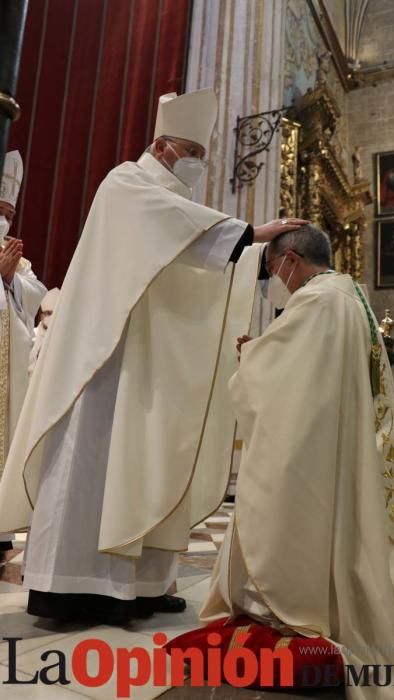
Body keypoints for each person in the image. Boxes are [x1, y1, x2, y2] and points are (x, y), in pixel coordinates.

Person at [0, 88, 306, 624]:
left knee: (149, 460)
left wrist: (258, 256)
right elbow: (179, 232)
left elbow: (193, 257)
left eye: (203, 155)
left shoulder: (177, 208)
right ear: (162, 146)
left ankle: (142, 585)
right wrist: (251, 236)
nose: (197, 163)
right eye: (191, 150)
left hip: (148, 366)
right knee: (94, 468)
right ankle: (73, 587)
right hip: (104, 362)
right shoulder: (127, 182)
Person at [201, 224, 394, 699]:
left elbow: (284, 378)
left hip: (308, 445)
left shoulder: (317, 301)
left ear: (291, 260)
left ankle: (287, 606)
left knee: (290, 523)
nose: (276, 280)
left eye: (274, 268)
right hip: (338, 437)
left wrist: (250, 357)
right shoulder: (351, 296)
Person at [0, 151, 46, 561]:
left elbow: (39, 295)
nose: (4, 222)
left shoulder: (18, 259)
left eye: (9, 215)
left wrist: (10, 276)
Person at [28, 287, 60, 375]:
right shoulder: (31, 335)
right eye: (48, 313)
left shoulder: (61, 339)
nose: (51, 318)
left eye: (55, 314)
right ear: (41, 314)